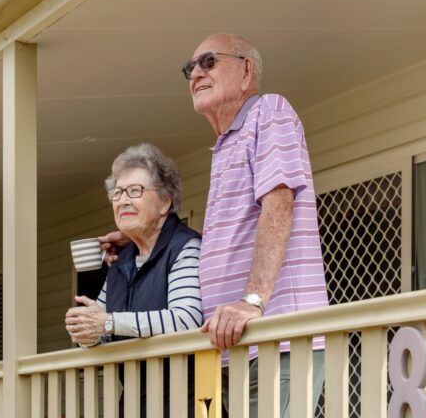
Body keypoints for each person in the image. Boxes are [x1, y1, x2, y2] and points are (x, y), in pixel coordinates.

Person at [103, 34, 329, 416]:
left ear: (246, 70)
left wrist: (251, 302)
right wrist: (142, 238)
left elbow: (278, 206)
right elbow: (232, 240)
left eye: (208, 61)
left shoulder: (268, 112)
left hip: (277, 340)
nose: (196, 73)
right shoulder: (225, 146)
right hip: (233, 348)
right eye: (190, 68)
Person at [65, 143, 202, 416]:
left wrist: (107, 321)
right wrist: (85, 331)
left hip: (184, 404)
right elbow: (102, 330)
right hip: (134, 405)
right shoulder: (120, 263)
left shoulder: (185, 247)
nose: (122, 200)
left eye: (135, 191)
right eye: (116, 193)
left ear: (164, 202)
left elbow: (187, 318)